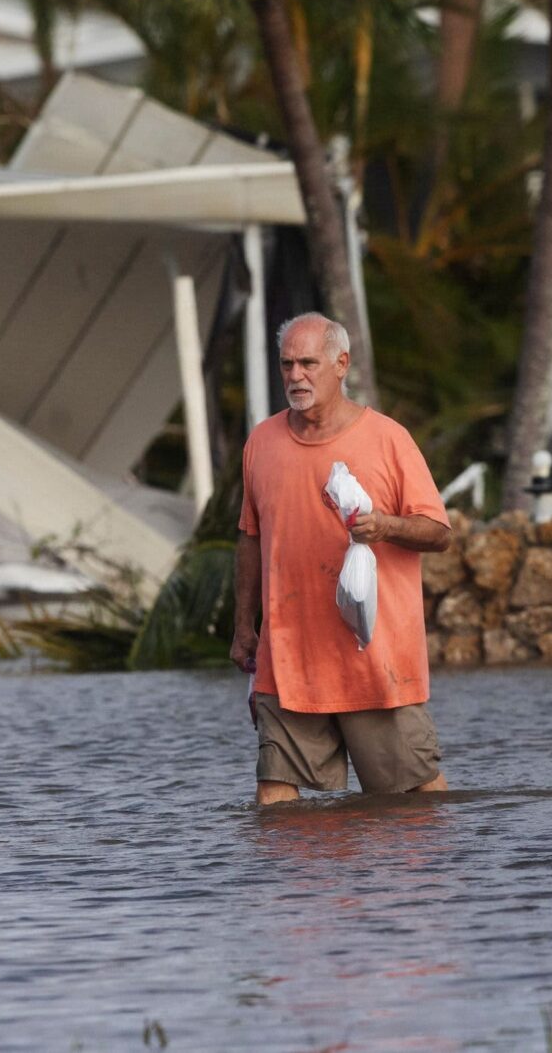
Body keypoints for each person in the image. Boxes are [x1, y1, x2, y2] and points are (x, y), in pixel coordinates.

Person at [231, 311, 454, 804]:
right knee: (273, 803)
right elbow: (249, 537)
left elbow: (439, 532)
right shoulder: (261, 442)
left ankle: (424, 881)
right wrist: (244, 626)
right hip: (286, 656)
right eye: (287, 364)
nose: (295, 376)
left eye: (308, 363)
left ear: (341, 364)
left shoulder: (388, 439)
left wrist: (386, 526)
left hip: (372, 658)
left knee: (417, 801)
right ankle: (298, 886)